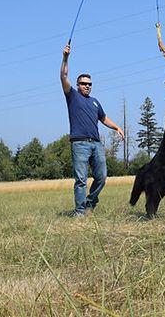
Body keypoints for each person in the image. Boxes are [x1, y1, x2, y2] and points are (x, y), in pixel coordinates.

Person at [60, 42, 125, 217]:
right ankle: (80, 212)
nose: (87, 86)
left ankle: (89, 203)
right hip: (79, 143)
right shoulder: (72, 96)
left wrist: (117, 127)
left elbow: (103, 118)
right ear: (78, 84)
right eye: (84, 83)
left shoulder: (95, 102)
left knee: (102, 177)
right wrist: (65, 57)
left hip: (96, 144)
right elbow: (63, 76)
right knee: (81, 180)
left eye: (89, 83)